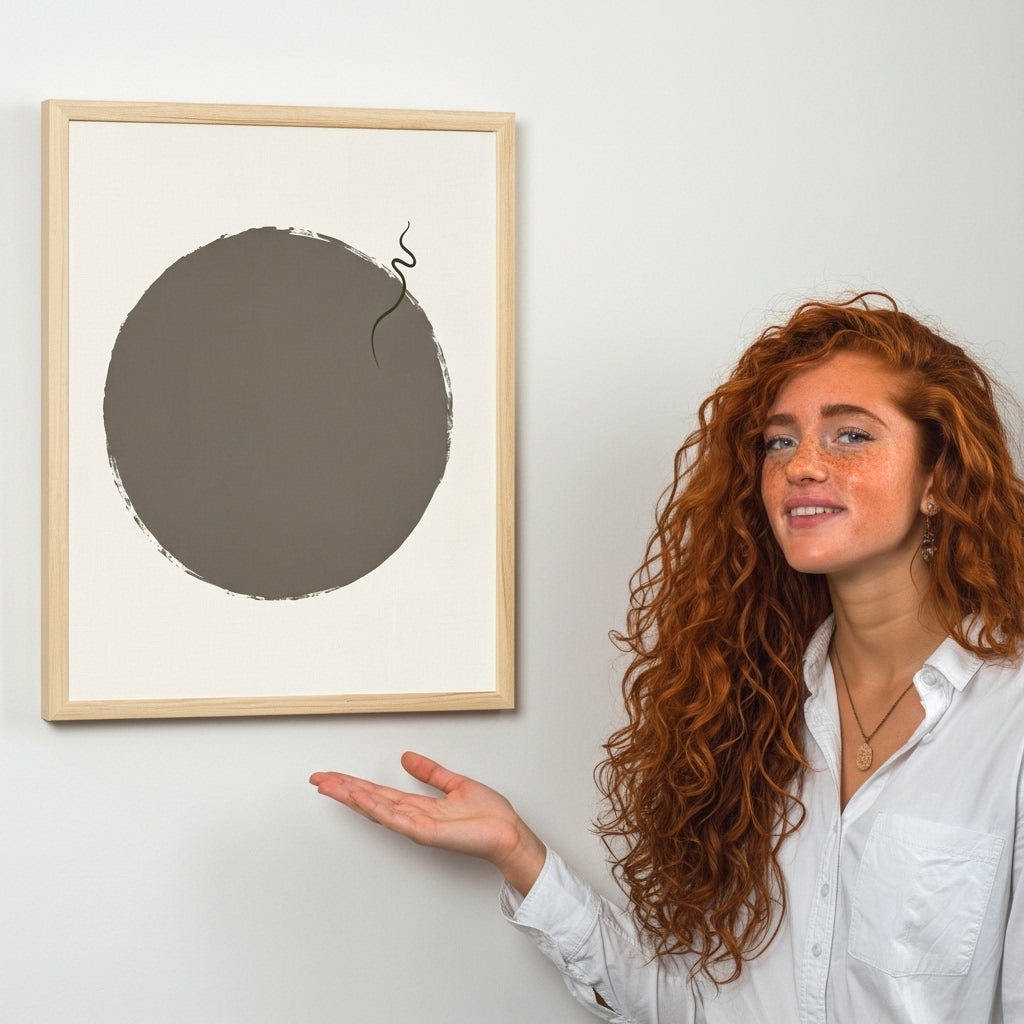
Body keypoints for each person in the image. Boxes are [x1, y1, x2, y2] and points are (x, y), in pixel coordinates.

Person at [310, 293, 1024, 1022]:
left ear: (938, 479)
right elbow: (689, 1003)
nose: (803, 465)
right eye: (780, 441)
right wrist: (519, 853)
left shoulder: (1011, 724)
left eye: (850, 436)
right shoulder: (751, 705)